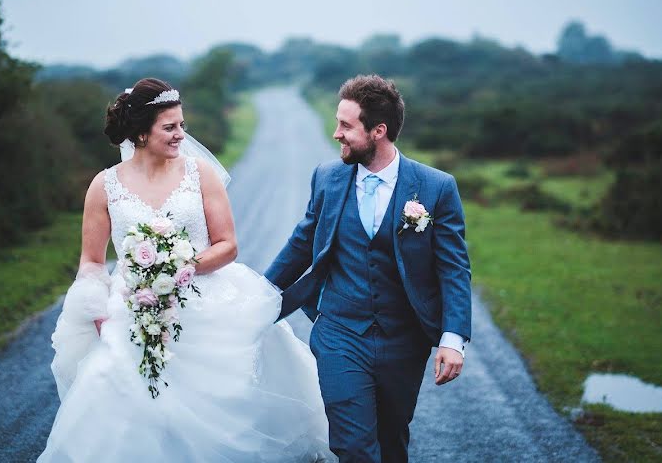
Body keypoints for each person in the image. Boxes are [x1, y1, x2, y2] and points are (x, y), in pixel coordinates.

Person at [38, 78, 334, 462]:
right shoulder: (104, 186)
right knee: (127, 407)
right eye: (170, 127)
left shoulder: (200, 174)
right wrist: (98, 312)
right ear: (141, 133)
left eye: (182, 125)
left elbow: (227, 245)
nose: (181, 134)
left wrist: (181, 266)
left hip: (206, 307)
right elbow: (92, 262)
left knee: (224, 409)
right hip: (134, 312)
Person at [264, 75, 472, 463]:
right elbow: (301, 245)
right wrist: (259, 295)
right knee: (353, 445)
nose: (336, 134)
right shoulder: (327, 178)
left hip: (404, 339)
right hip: (339, 332)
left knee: (392, 441)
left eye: (346, 126)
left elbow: (454, 268)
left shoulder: (436, 187)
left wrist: (453, 338)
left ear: (379, 131)